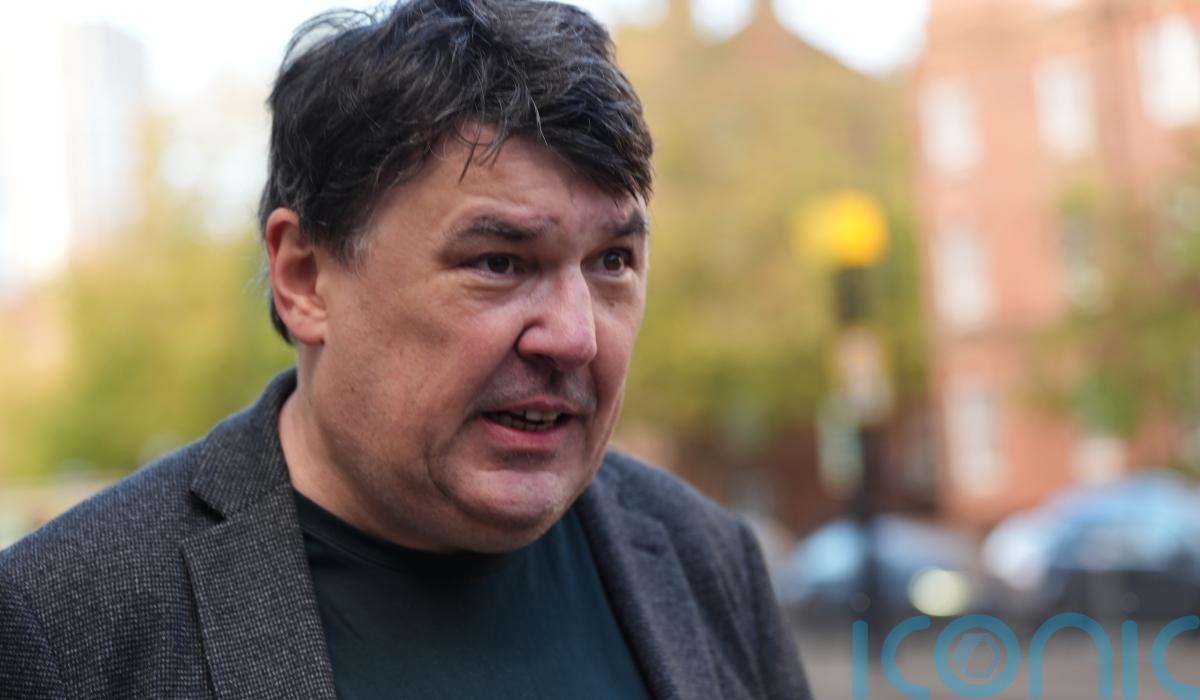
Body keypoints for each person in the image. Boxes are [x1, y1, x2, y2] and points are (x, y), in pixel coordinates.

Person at [0, 0, 811, 697]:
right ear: (305, 277)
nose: (574, 335)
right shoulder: (65, 625)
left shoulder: (713, 564)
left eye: (612, 263)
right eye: (499, 262)